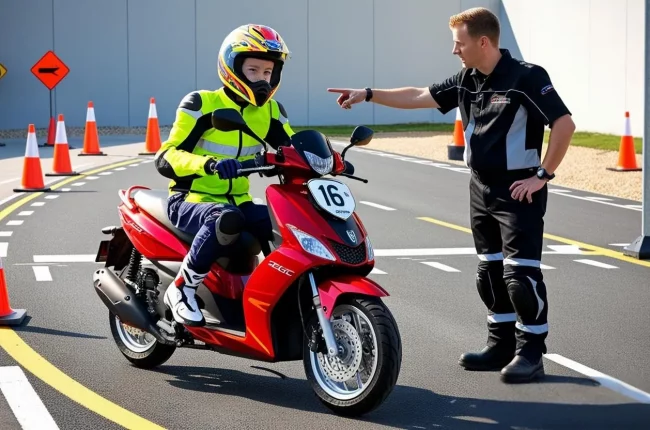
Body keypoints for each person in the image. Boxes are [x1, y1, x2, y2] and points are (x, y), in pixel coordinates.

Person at [328, 7, 575, 383]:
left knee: (520, 279)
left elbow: (564, 123)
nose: (454, 51)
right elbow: (417, 95)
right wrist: (367, 94)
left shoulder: (526, 77)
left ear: (483, 41)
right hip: (480, 188)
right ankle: (500, 344)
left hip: (518, 191)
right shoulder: (466, 79)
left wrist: (543, 175)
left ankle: (531, 352)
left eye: (458, 44)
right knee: (489, 273)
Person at [154, 24, 294, 327]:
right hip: (191, 200)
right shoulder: (202, 104)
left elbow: (291, 148)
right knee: (225, 217)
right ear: (232, 67)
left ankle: (273, 295)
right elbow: (166, 158)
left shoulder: (270, 112)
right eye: (253, 70)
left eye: (268, 72)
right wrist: (209, 164)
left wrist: (326, 160)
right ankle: (183, 288)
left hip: (239, 201)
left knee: (285, 221)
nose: (261, 79)